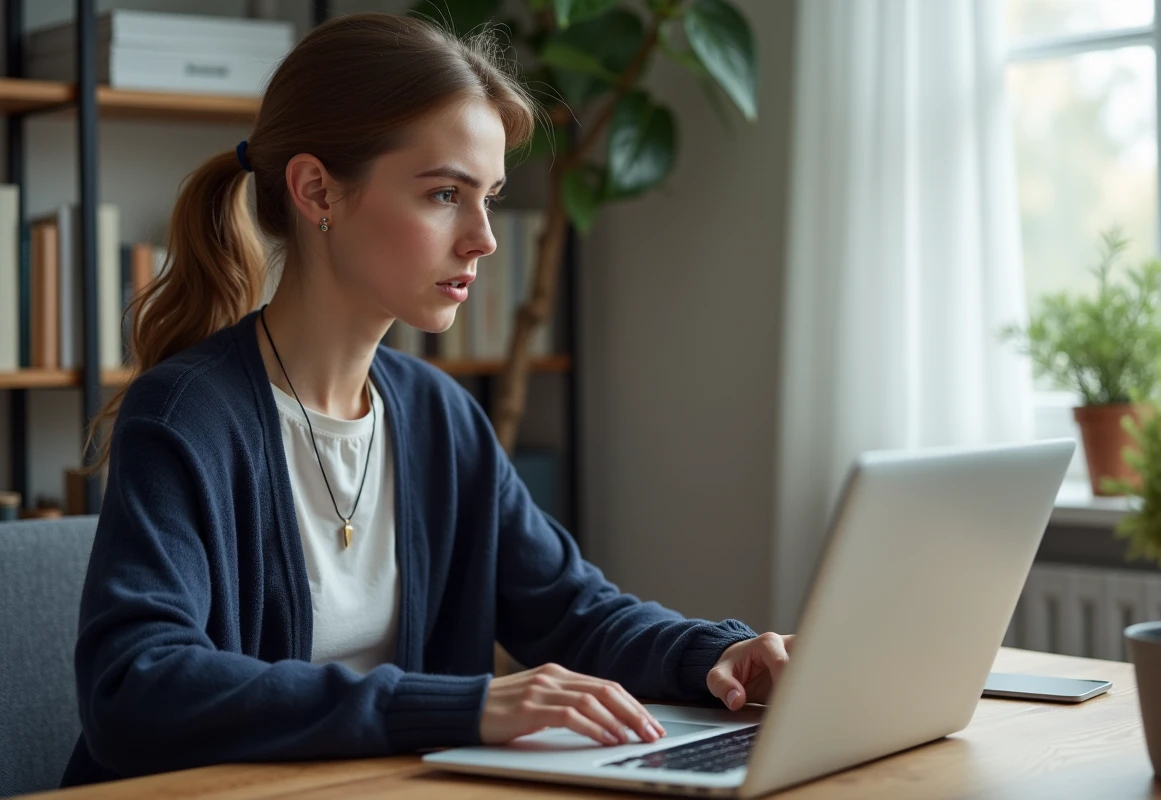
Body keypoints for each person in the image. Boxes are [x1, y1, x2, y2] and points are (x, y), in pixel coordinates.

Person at [61, 12, 794, 789]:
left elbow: (571, 610)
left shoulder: (439, 415)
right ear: (317, 192)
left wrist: (716, 654)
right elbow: (133, 687)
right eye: (446, 193)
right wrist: (465, 706)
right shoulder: (187, 417)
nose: (484, 237)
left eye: (490, 197)